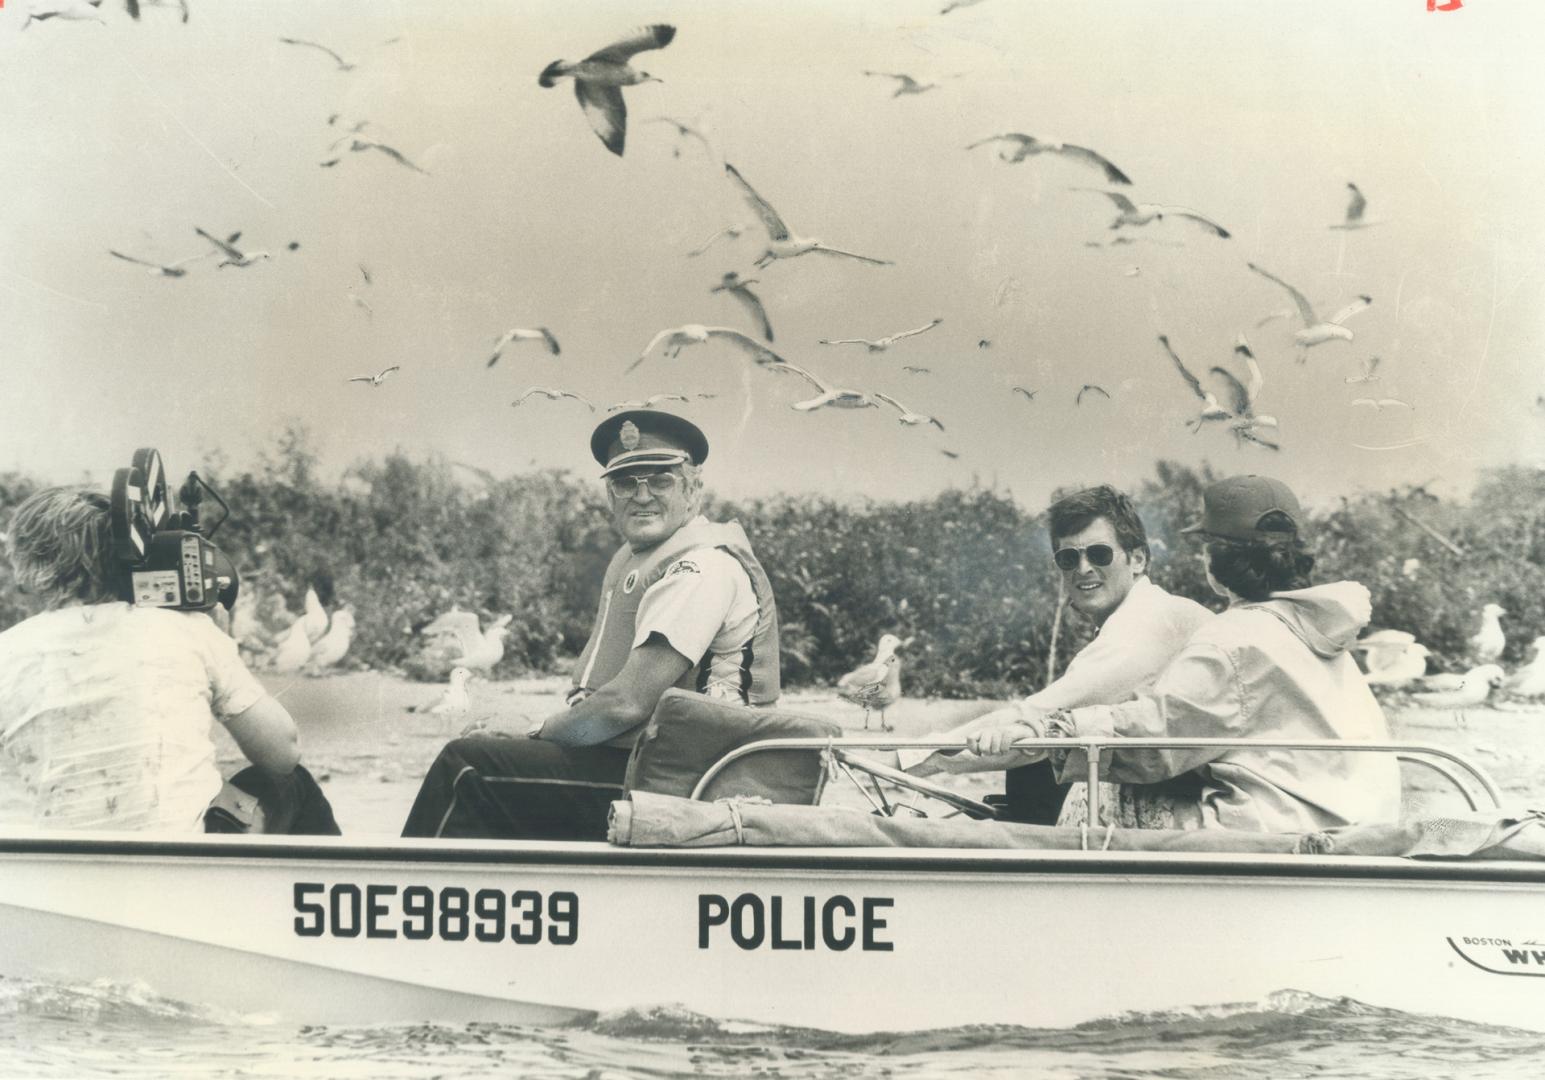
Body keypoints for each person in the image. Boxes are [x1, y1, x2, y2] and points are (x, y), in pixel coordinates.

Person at [401, 410, 781, 840]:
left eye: (660, 480)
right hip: (655, 766)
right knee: (500, 759)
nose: (641, 496)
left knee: (468, 766)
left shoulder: (702, 567)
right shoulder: (644, 558)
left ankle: (401, 894)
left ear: (693, 490)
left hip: (700, 781)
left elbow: (626, 705)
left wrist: (533, 732)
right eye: (625, 482)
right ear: (610, 496)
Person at [969, 475, 1402, 832]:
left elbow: (1156, 736)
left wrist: (1055, 730)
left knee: (1094, 790)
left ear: (1213, 563)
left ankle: (1066, 904)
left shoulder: (1232, 639)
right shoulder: (1315, 626)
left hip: (1277, 829)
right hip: (1359, 819)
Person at [0, 486, 327, 833]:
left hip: (43, 866)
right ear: (131, 552)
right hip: (177, 856)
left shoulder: (8, 648)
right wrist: (220, 646)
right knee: (292, 785)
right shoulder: (186, 629)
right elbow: (283, 755)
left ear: (28, 562)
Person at [890, 484, 1213, 825]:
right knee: (1039, 767)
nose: (1083, 568)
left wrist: (905, 759)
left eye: (1099, 554)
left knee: (1036, 754)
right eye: (1069, 558)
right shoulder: (1148, 612)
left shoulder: (1145, 623)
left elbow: (1041, 715)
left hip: (1205, 805)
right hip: (1184, 782)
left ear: (1138, 559)